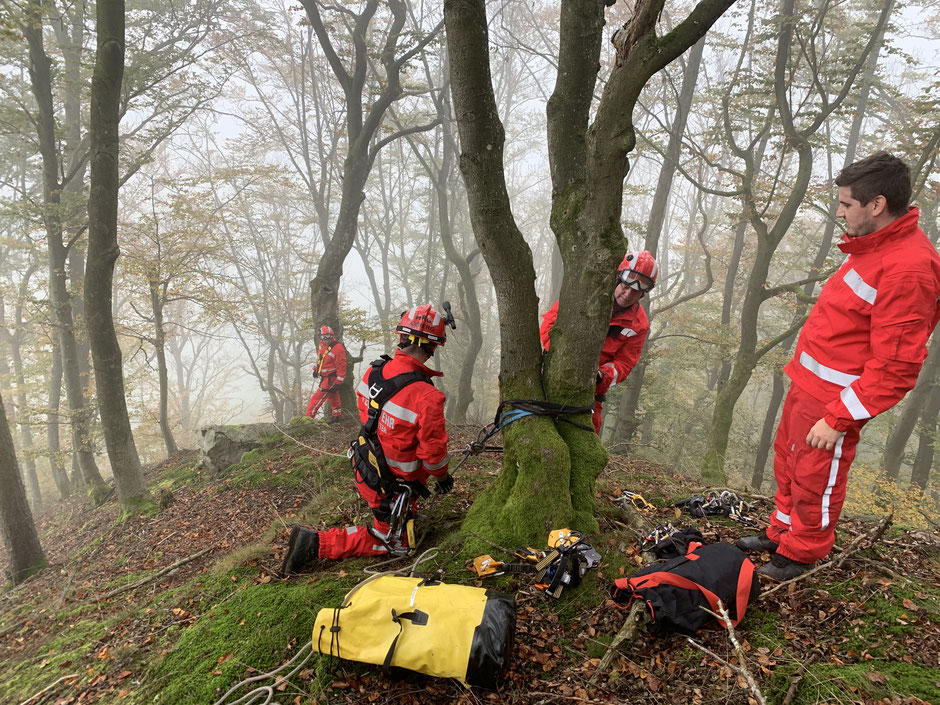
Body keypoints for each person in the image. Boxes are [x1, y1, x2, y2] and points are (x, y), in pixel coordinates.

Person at [738, 152, 940, 580]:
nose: (840, 212)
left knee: (816, 475)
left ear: (877, 204)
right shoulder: (872, 247)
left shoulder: (909, 268)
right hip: (808, 383)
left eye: (846, 204)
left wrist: (839, 418)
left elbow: (898, 367)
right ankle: (782, 532)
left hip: (836, 399)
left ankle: (802, 554)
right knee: (789, 462)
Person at [281, 304, 454, 573]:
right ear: (432, 346)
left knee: (403, 519)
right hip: (390, 485)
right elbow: (433, 457)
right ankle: (315, 543)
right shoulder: (427, 397)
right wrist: (443, 479)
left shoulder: (375, 371)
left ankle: (402, 514)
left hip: (366, 465)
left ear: (403, 336)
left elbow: (369, 416)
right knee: (395, 543)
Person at [540, 250, 657, 434]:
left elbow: (624, 365)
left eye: (635, 292)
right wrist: (564, 359)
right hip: (551, 374)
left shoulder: (639, 325)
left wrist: (602, 375)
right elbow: (549, 325)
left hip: (590, 390)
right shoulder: (587, 295)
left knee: (587, 438)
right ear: (618, 279)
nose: (627, 295)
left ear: (642, 295)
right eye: (626, 287)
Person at [305, 326, 347, 423]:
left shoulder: (338, 348)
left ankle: (308, 419)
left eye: (328, 337)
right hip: (325, 377)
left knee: (315, 400)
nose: (326, 340)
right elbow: (320, 358)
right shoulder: (322, 345)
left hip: (330, 379)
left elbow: (342, 366)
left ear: (332, 336)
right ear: (321, 337)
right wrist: (316, 369)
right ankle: (337, 416)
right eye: (324, 338)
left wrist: (338, 382)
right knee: (333, 396)